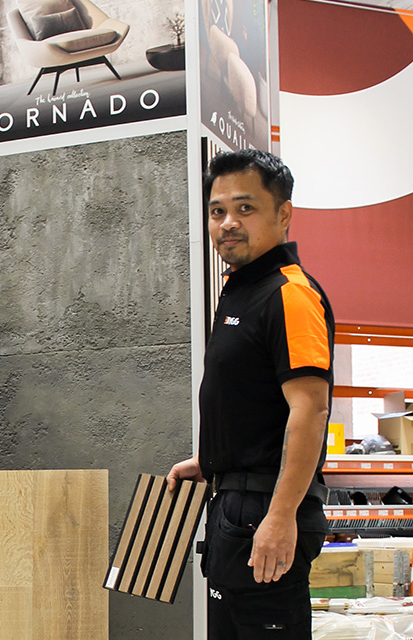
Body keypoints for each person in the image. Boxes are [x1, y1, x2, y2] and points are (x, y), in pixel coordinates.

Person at [167, 150, 334, 639]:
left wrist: (281, 516)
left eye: (245, 208)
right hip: (234, 506)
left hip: (267, 511)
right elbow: (257, 399)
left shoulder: (290, 293)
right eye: (217, 211)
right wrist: (215, 459)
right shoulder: (241, 290)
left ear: (283, 214)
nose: (228, 223)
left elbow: (311, 407)